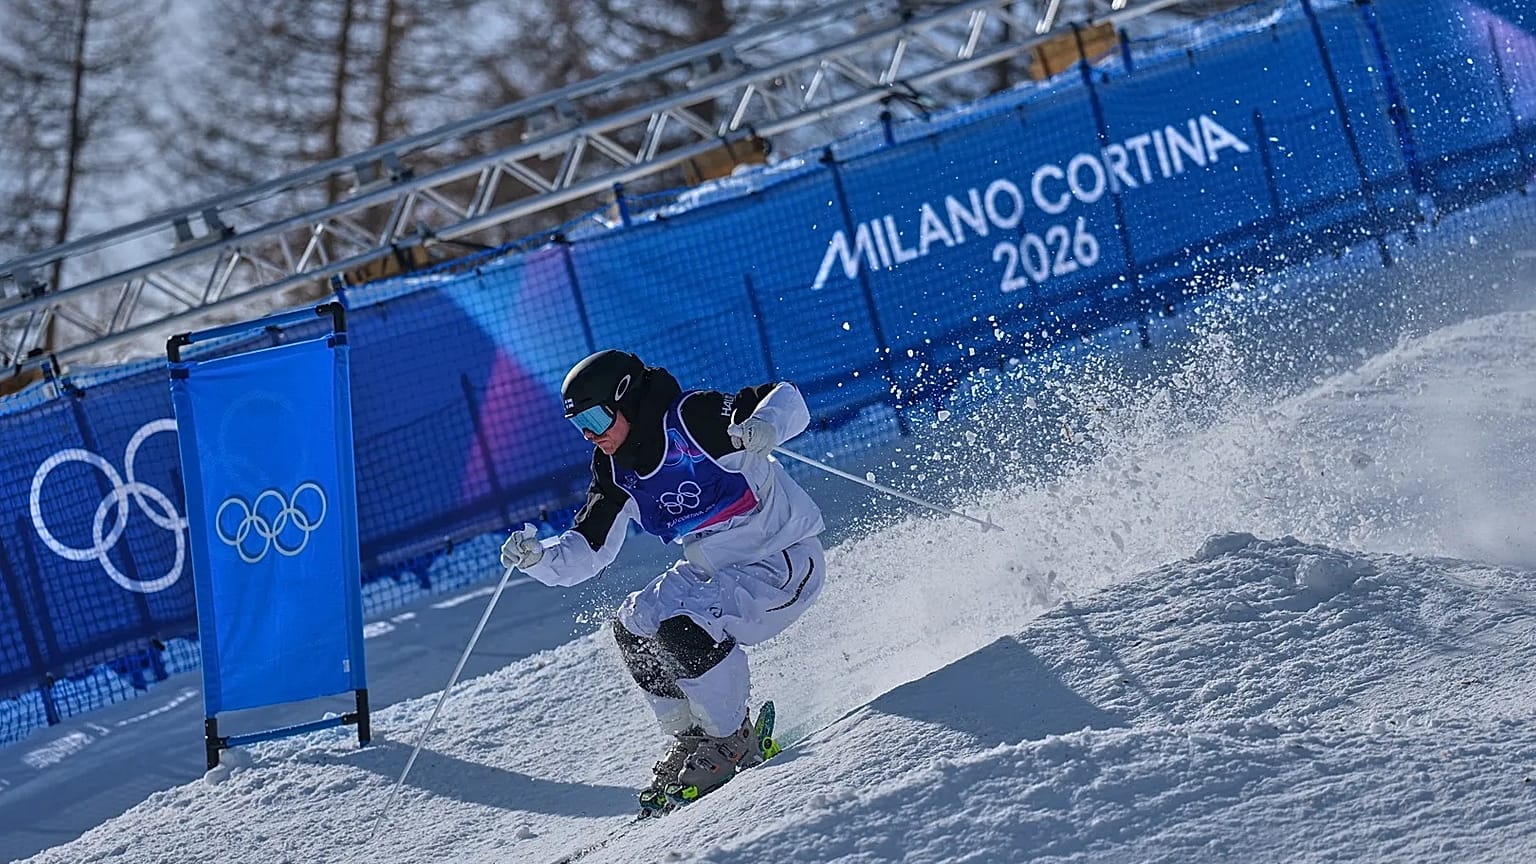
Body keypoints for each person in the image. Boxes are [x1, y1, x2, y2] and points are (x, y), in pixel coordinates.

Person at [499, 349, 826, 806]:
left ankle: (732, 737)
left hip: (781, 560)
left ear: (626, 398)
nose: (591, 434)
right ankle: (694, 735)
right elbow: (588, 547)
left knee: (683, 630)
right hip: (712, 567)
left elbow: (780, 396)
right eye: (579, 426)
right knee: (635, 625)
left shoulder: (692, 419)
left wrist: (768, 424)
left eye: (595, 417)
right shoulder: (615, 469)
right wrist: (539, 557)